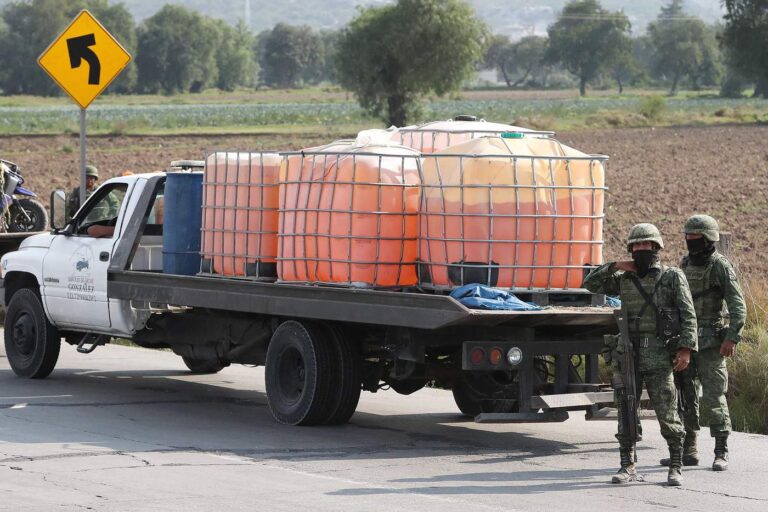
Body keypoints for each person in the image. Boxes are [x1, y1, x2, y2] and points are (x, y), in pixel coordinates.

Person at [583, 223, 697, 486]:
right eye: (636, 246)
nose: (641, 250)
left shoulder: (672, 277)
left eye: (646, 245)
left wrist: (686, 349)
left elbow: (689, 315)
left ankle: (676, 465)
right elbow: (590, 283)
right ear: (630, 250)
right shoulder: (624, 279)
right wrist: (614, 265)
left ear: (656, 248)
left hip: (659, 353)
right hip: (628, 353)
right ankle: (627, 465)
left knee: (668, 411)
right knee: (625, 412)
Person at [658, 215, 746, 472]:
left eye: (696, 239)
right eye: (688, 238)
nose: (691, 243)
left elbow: (738, 305)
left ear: (709, 240)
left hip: (711, 345)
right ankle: (689, 450)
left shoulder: (720, 266)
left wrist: (732, 338)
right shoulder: (685, 264)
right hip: (685, 341)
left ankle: (721, 451)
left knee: (714, 397)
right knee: (684, 397)